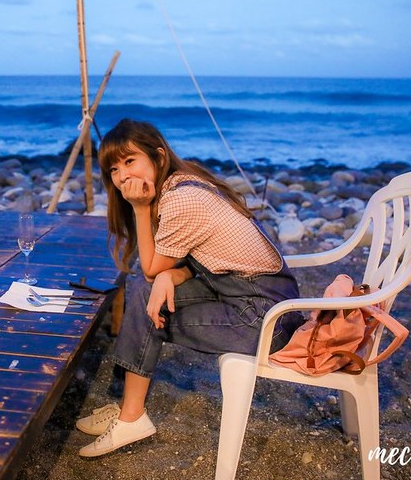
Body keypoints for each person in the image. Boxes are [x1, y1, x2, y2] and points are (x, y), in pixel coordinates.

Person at [77, 118, 303, 458]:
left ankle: (131, 416)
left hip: (265, 318)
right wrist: (169, 276)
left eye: (129, 161)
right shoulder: (181, 183)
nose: (122, 175)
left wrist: (139, 210)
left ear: (158, 157)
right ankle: (129, 408)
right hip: (239, 293)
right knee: (144, 292)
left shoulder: (181, 200)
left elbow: (153, 267)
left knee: (148, 308)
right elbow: (191, 264)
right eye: (113, 169)